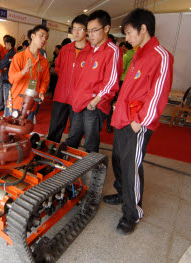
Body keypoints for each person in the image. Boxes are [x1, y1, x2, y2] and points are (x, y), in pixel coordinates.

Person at [104, 8, 173, 235]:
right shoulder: (139, 54)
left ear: (144, 29)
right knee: (117, 159)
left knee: (131, 165)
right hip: (123, 117)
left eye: (130, 32)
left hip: (137, 122)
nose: (128, 38)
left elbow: (158, 94)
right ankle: (123, 192)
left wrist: (140, 121)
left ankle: (132, 212)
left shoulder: (161, 56)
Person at [66, 10, 122, 152]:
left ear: (106, 28)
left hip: (94, 106)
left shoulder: (112, 51)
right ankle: (66, 168)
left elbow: (111, 83)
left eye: (94, 30)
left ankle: (91, 172)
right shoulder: (90, 50)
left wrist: (94, 102)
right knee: (72, 138)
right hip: (79, 102)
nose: (90, 34)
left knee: (90, 144)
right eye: (88, 31)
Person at [47, 14, 92, 143]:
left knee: (75, 130)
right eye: (74, 28)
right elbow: (58, 68)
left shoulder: (92, 52)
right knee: (55, 127)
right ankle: (50, 151)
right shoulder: (65, 49)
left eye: (80, 29)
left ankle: (71, 154)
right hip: (61, 95)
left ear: (87, 31)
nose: (76, 32)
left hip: (78, 98)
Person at [7, 25, 50, 120]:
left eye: (46, 38)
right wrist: (23, 72)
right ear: (32, 36)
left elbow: (44, 81)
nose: (44, 39)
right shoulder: (19, 57)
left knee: (25, 131)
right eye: (41, 35)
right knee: (10, 131)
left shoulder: (44, 61)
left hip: (32, 103)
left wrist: (42, 92)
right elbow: (11, 79)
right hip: (16, 103)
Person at [107, 41, 135, 132]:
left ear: (124, 46)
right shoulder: (136, 54)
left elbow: (121, 70)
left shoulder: (126, 56)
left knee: (114, 103)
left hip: (122, 82)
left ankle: (110, 125)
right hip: (131, 83)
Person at [0, 35, 16, 113]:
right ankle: (11, 114)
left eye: (5, 44)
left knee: (7, 99)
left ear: (9, 44)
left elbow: (1, 65)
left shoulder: (8, 54)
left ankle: (7, 115)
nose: (5, 46)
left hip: (7, 79)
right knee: (12, 99)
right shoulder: (15, 54)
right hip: (14, 80)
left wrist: (5, 67)